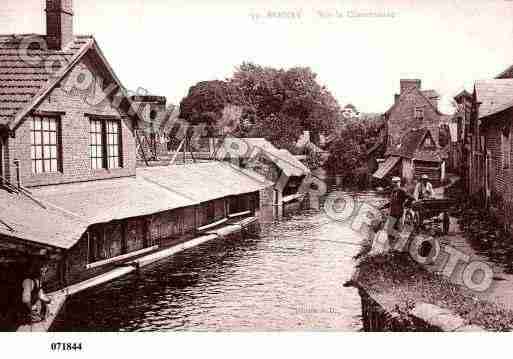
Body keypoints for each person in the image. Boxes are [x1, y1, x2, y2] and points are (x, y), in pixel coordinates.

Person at [379, 177, 414, 242]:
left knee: (397, 229)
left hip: (399, 214)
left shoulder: (402, 191)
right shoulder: (393, 191)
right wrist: (383, 207)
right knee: (389, 230)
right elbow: (392, 202)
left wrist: (406, 204)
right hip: (392, 213)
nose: (395, 184)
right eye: (394, 182)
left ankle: (398, 245)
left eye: (396, 182)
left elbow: (412, 198)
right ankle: (391, 246)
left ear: (399, 183)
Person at [21, 258, 51, 324]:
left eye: (45, 272)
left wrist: (49, 301)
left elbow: (41, 294)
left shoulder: (38, 281)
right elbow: (26, 299)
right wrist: (32, 310)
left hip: (31, 306)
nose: (44, 274)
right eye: (42, 272)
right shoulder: (28, 281)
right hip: (24, 308)